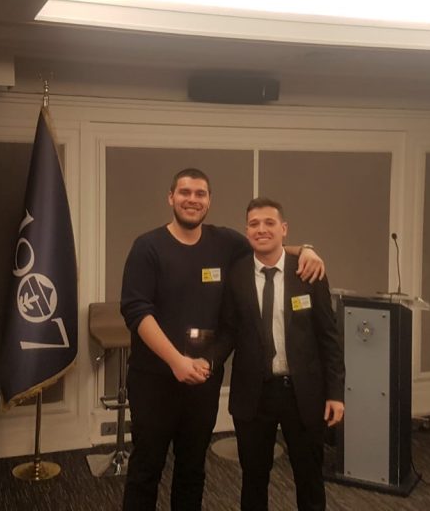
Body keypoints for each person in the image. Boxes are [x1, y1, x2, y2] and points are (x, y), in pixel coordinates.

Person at [120, 168, 325, 511]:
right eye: (185, 192)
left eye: (200, 193)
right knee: (146, 469)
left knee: (192, 470)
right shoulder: (147, 247)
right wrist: (176, 361)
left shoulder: (225, 243)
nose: (192, 199)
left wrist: (306, 250)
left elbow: (267, 246)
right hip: (155, 379)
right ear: (171, 198)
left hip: (203, 379)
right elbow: (136, 311)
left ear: (209, 201)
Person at [212, 197, 344, 511]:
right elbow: (229, 330)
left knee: (309, 478)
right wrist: (208, 360)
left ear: (284, 229)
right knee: (254, 479)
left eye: (269, 223)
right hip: (254, 395)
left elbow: (329, 338)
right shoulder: (236, 275)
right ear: (247, 231)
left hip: (303, 394)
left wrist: (335, 393)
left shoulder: (308, 272)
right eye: (254, 224)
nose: (262, 229)